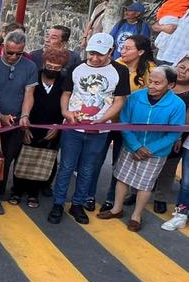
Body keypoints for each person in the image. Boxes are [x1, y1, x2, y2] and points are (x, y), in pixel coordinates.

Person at [48, 33, 130, 225]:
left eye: (100, 54)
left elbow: (119, 101)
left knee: (88, 169)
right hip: (72, 129)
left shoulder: (120, 71)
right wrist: (66, 113)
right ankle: (58, 203)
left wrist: (102, 119)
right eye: (92, 53)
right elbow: (66, 94)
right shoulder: (77, 68)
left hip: (99, 131)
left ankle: (78, 203)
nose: (94, 58)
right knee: (66, 167)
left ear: (111, 51)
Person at [97, 66, 185, 231]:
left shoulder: (177, 105)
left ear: (170, 85)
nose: (151, 86)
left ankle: (136, 215)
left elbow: (173, 134)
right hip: (131, 146)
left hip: (156, 152)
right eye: (150, 81)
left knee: (145, 185)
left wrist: (150, 149)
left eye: (157, 83)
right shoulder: (136, 97)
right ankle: (116, 209)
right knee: (122, 178)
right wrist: (136, 146)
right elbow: (124, 121)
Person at [89, 34, 157, 212]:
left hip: (130, 125)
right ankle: (88, 195)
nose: (123, 51)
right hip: (106, 120)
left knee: (119, 163)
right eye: (122, 47)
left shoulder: (151, 71)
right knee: (96, 159)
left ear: (140, 51)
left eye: (128, 48)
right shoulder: (115, 65)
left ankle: (111, 199)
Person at [0, 29, 37, 213]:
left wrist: (24, 116)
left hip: (14, 122)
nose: (14, 57)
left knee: (5, 159)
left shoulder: (30, 67)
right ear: (2, 47)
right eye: (10, 52)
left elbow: (29, 94)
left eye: (19, 53)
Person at [11, 47, 68, 208]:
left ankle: (34, 192)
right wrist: (25, 125)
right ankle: (17, 189)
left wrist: (58, 127)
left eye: (57, 68)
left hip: (52, 127)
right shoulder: (33, 77)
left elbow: (68, 104)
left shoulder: (64, 81)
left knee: (44, 160)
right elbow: (25, 99)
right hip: (29, 124)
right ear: (44, 63)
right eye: (50, 66)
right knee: (22, 157)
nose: (53, 70)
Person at [155, 55, 189, 217]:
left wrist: (179, 136)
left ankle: (160, 197)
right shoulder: (162, 85)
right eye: (182, 67)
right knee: (143, 160)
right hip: (152, 132)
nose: (184, 72)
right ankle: (135, 192)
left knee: (168, 167)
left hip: (176, 135)